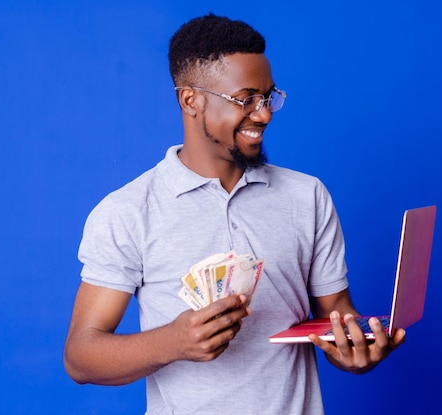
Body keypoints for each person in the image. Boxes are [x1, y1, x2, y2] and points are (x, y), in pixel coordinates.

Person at [64, 13, 406, 415]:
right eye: (246, 99)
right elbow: (81, 357)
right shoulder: (127, 212)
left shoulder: (307, 196)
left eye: (268, 96)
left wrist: (355, 345)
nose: (264, 114)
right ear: (191, 100)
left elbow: (336, 314)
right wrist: (173, 342)